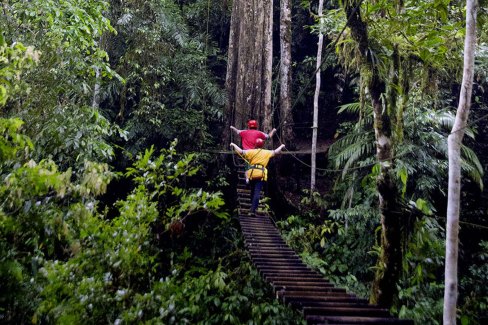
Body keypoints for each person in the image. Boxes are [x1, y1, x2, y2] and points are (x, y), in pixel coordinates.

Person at [230, 139, 285, 216]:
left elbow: (241, 151)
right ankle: (252, 210)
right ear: (263, 145)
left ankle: (252, 209)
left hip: (252, 174)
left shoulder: (251, 151)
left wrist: (234, 145)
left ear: (255, 145)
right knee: (257, 192)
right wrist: (282, 146)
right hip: (260, 174)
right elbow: (276, 151)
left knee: (253, 191)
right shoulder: (266, 152)